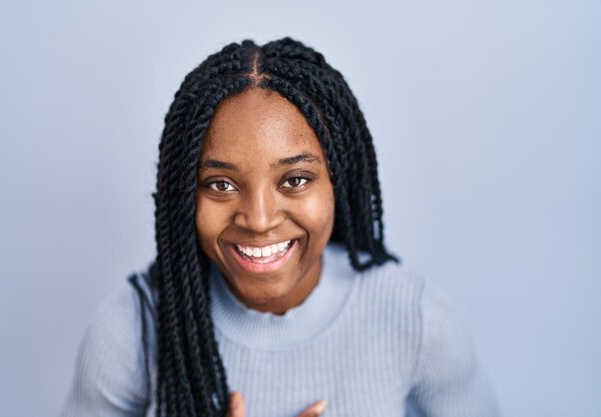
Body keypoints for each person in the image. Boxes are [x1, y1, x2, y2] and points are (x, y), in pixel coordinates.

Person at [61, 38, 499, 417]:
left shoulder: (416, 317)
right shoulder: (132, 328)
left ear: (337, 182)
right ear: (183, 196)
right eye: (221, 184)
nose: (258, 219)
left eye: (294, 180)